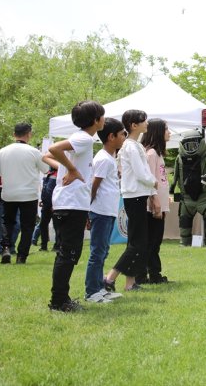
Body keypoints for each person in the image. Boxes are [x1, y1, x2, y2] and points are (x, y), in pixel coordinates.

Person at [46, 101, 105, 312]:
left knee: (66, 252)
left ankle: (60, 298)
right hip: (71, 204)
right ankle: (59, 301)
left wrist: (68, 167)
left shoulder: (80, 138)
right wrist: (71, 169)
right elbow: (52, 149)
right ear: (96, 120)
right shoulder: (83, 138)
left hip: (67, 202)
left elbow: (49, 154)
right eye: (102, 116)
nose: (104, 120)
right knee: (69, 253)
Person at [104, 109, 158, 293]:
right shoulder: (130, 146)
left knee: (135, 242)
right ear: (134, 125)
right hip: (134, 196)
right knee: (138, 243)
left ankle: (130, 283)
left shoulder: (134, 145)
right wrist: (154, 182)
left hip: (137, 195)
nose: (147, 124)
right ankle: (110, 277)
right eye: (144, 120)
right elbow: (140, 172)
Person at [0, 123, 52, 264]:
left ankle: (5, 247)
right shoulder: (34, 152)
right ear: (29, 134)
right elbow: (46, 170)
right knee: (27, 226)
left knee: (7, 223)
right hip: (29, 195)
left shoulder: (2, 152)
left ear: (14, 134)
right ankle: (21, 256)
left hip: (9, 194)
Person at [84, 118, 126, 304]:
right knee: (97, 252)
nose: (124, 137)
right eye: (122, 134)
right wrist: (87, 211)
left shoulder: (110, 158)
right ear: (111, 137)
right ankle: (92, 291)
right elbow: (93, 187)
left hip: (107, 211)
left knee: (103, 250)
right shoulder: (103, 159)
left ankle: (100, 288)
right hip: (99, 211)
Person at [136, 118, 171, 285]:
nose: (169, 132)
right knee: (151, 241)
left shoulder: (157, 153)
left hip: (160, 204)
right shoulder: (150, 154)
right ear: (158, 132)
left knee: (155, 241)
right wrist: (155, 202)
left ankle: (153, 274)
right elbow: (148, 180)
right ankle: (147, 275)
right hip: (152, 206)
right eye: (166, 129)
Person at [171, 129, 206, 247]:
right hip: (187, 198)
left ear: (200, 143)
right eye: (188, 145)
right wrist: (172, 188)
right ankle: (185, 242)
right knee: (184, 223)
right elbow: (176, 175)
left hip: (205, 197)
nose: (191, 148)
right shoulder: (179, 158)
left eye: (194, 145)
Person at [32, 167, 57, 251]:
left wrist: (55, 204)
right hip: (46, 203)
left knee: (57, 226)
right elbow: (45, 188)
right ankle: (43, 246)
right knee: (43, 225)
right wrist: (42, 199)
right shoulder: (49, 174)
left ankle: (57, 246)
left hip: (54, 205)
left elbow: (57, 191)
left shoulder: (59, 174)